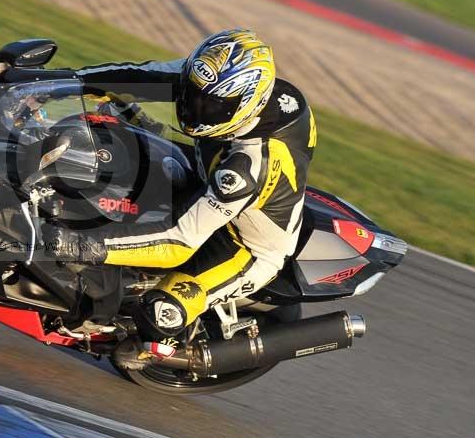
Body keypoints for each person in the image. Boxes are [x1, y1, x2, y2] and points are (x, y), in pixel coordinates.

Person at [44, 29, 317, 368]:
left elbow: (180, 240)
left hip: (243, 245)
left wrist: (84, 245)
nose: (195, 108)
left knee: (159, 311)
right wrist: (60, 83)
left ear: (246, 106)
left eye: (212, 106)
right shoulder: (213, 80)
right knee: (113, 150)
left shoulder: (248, 167)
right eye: (192, 94)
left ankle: (164, 348)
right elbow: (140, 75)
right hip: (208, 176)